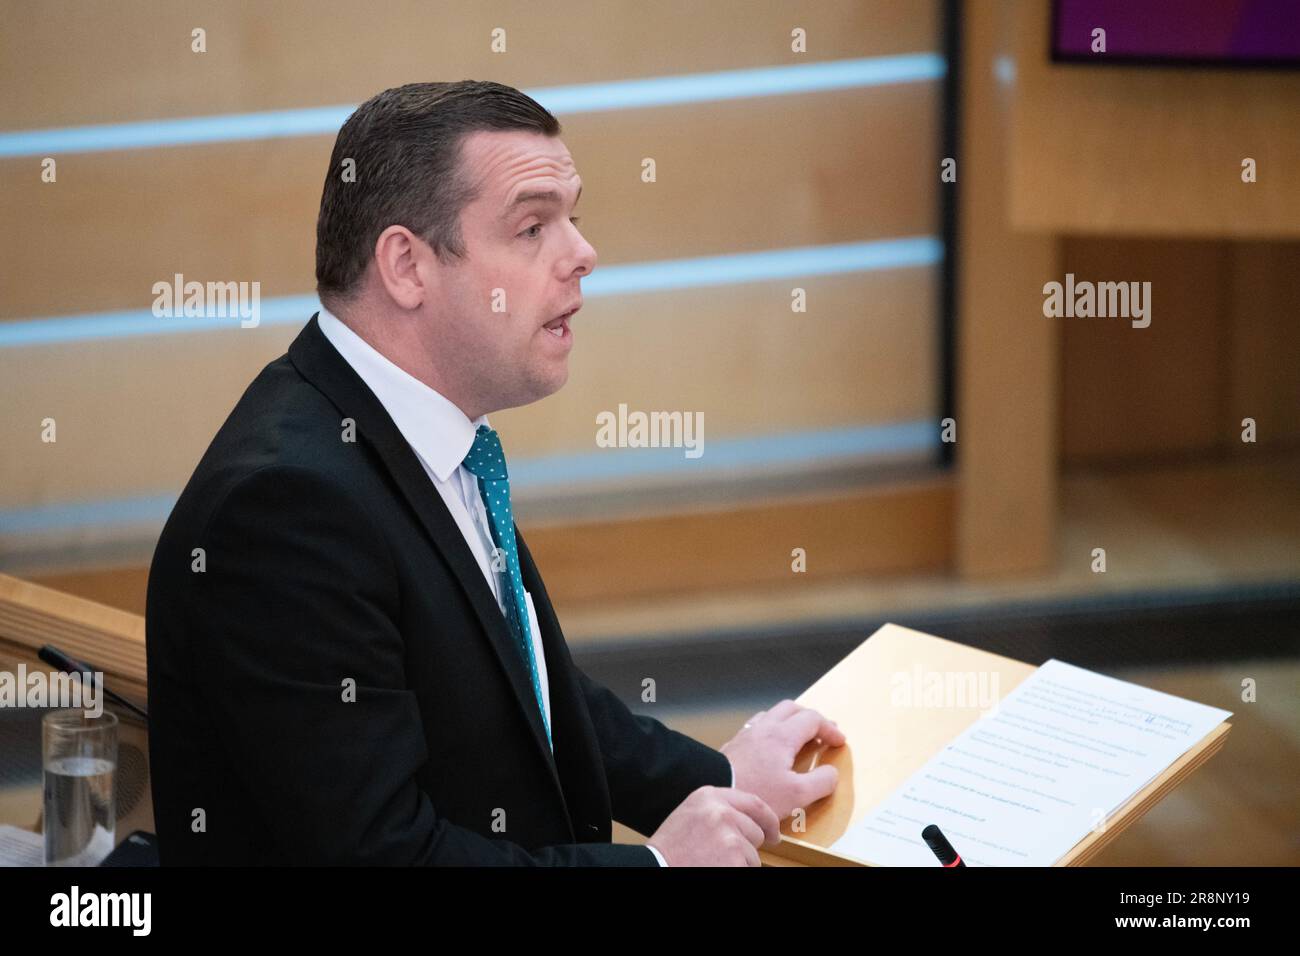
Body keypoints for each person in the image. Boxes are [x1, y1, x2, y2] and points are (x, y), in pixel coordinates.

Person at [145, 80, 845, 866]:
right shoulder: (283, 510)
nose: (583, 254)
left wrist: (715, 777)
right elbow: (381, 857)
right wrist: (657, 866)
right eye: (533, 226)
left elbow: (519, 692)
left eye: (574, 217)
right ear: (407, 266)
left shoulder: (430, 431)